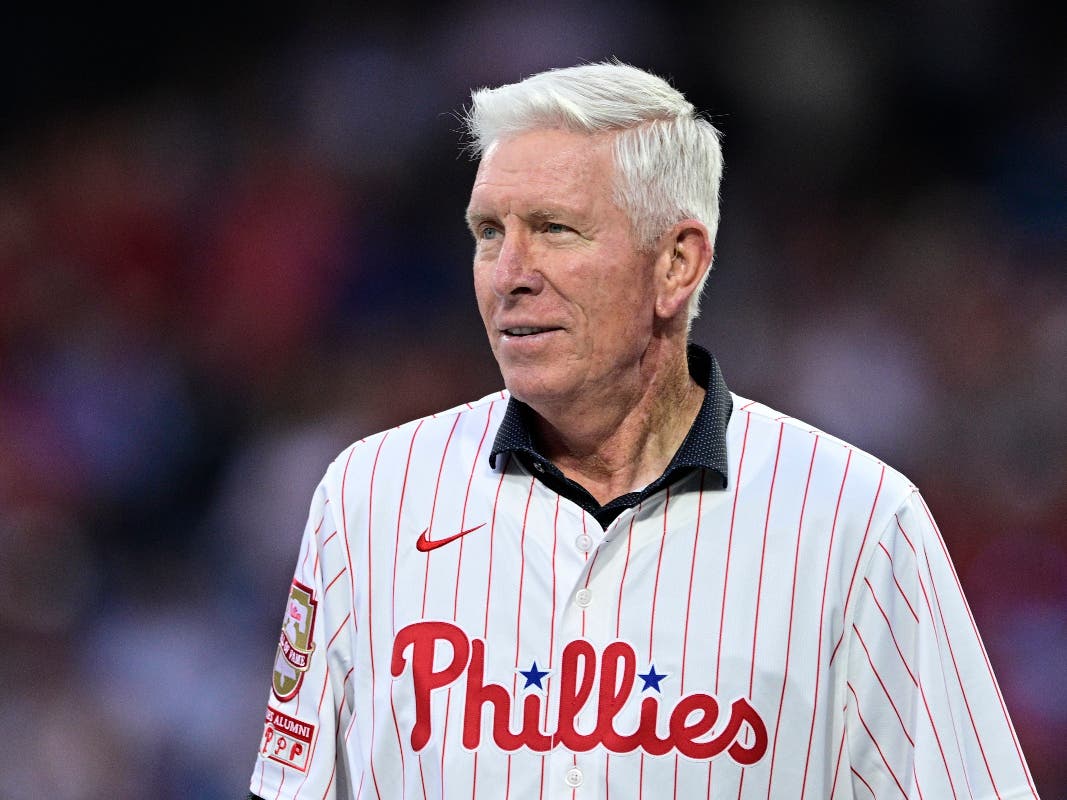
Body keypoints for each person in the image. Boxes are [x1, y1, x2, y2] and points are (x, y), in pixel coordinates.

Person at [248, 62, 1038, 799]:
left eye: (555, 228)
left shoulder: (854, 519)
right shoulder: (370, 494)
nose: (510, 272)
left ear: (677, 265)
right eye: (488, 231)